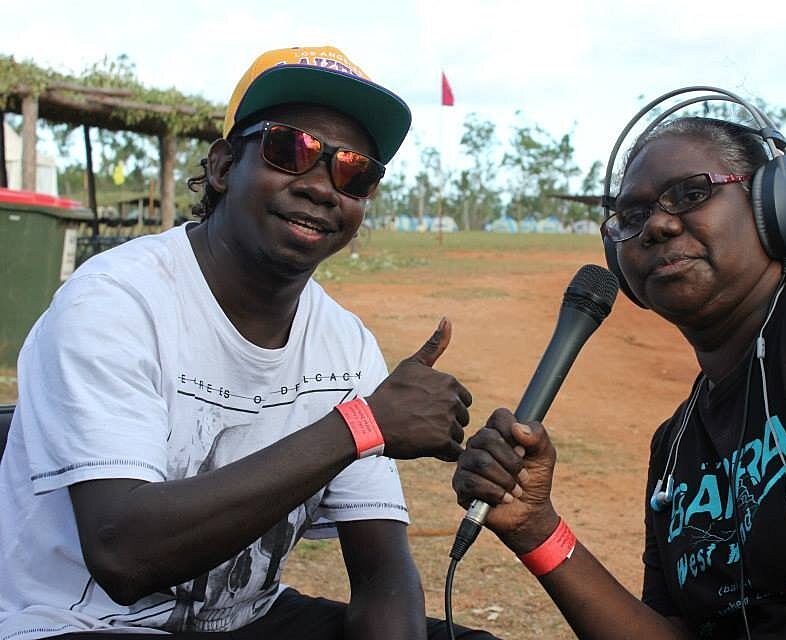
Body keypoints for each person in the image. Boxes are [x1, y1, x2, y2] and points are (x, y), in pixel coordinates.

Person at [0, 46, 495, 640]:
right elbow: (123, 554)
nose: (322, 187)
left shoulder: (345, 344)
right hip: (74, 622)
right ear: (222, 166)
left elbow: (382, 575)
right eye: (291, 150)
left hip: (246, 619)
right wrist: (362, 426)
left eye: (354, 172)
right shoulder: (115, 302)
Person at [452, 111, 786, 639]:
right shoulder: (675, 448)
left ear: (771, 205)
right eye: (632, 214)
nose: (657, 225)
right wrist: (537, 528)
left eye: (692, 194)